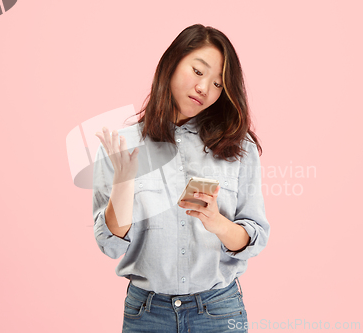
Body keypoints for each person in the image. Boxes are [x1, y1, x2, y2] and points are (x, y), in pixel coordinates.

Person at [93, 24, 270, 333]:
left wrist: (217, 222)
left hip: (218, 311)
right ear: (172, 63)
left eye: (218, 83)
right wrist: (123, 184)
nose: (205, 88)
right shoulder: (123, 146)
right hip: (147, 315)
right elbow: (110, 245)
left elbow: (254, 238)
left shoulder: (239, 148)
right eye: (198, 72)